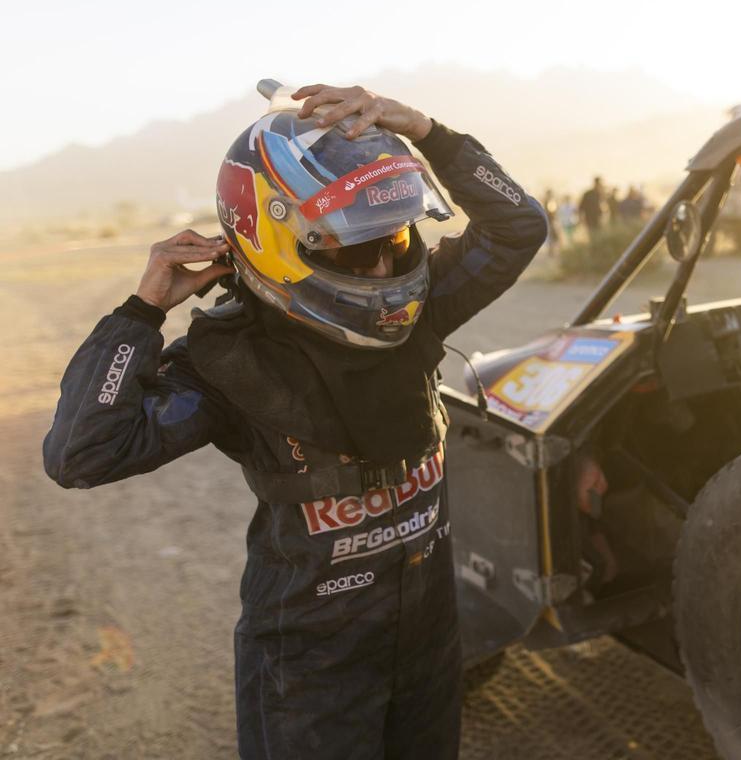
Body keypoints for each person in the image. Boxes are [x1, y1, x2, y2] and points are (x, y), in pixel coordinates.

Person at [42, 83, 548, 760]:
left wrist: (429, 132)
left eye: (394, 237)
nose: (379, 266)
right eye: (348, 249)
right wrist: (140, 314)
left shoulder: (419, 308)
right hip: (311, 668)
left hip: (429, 636)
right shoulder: (229, 363)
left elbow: (519, 224)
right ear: (277, 244)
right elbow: (82, 452)